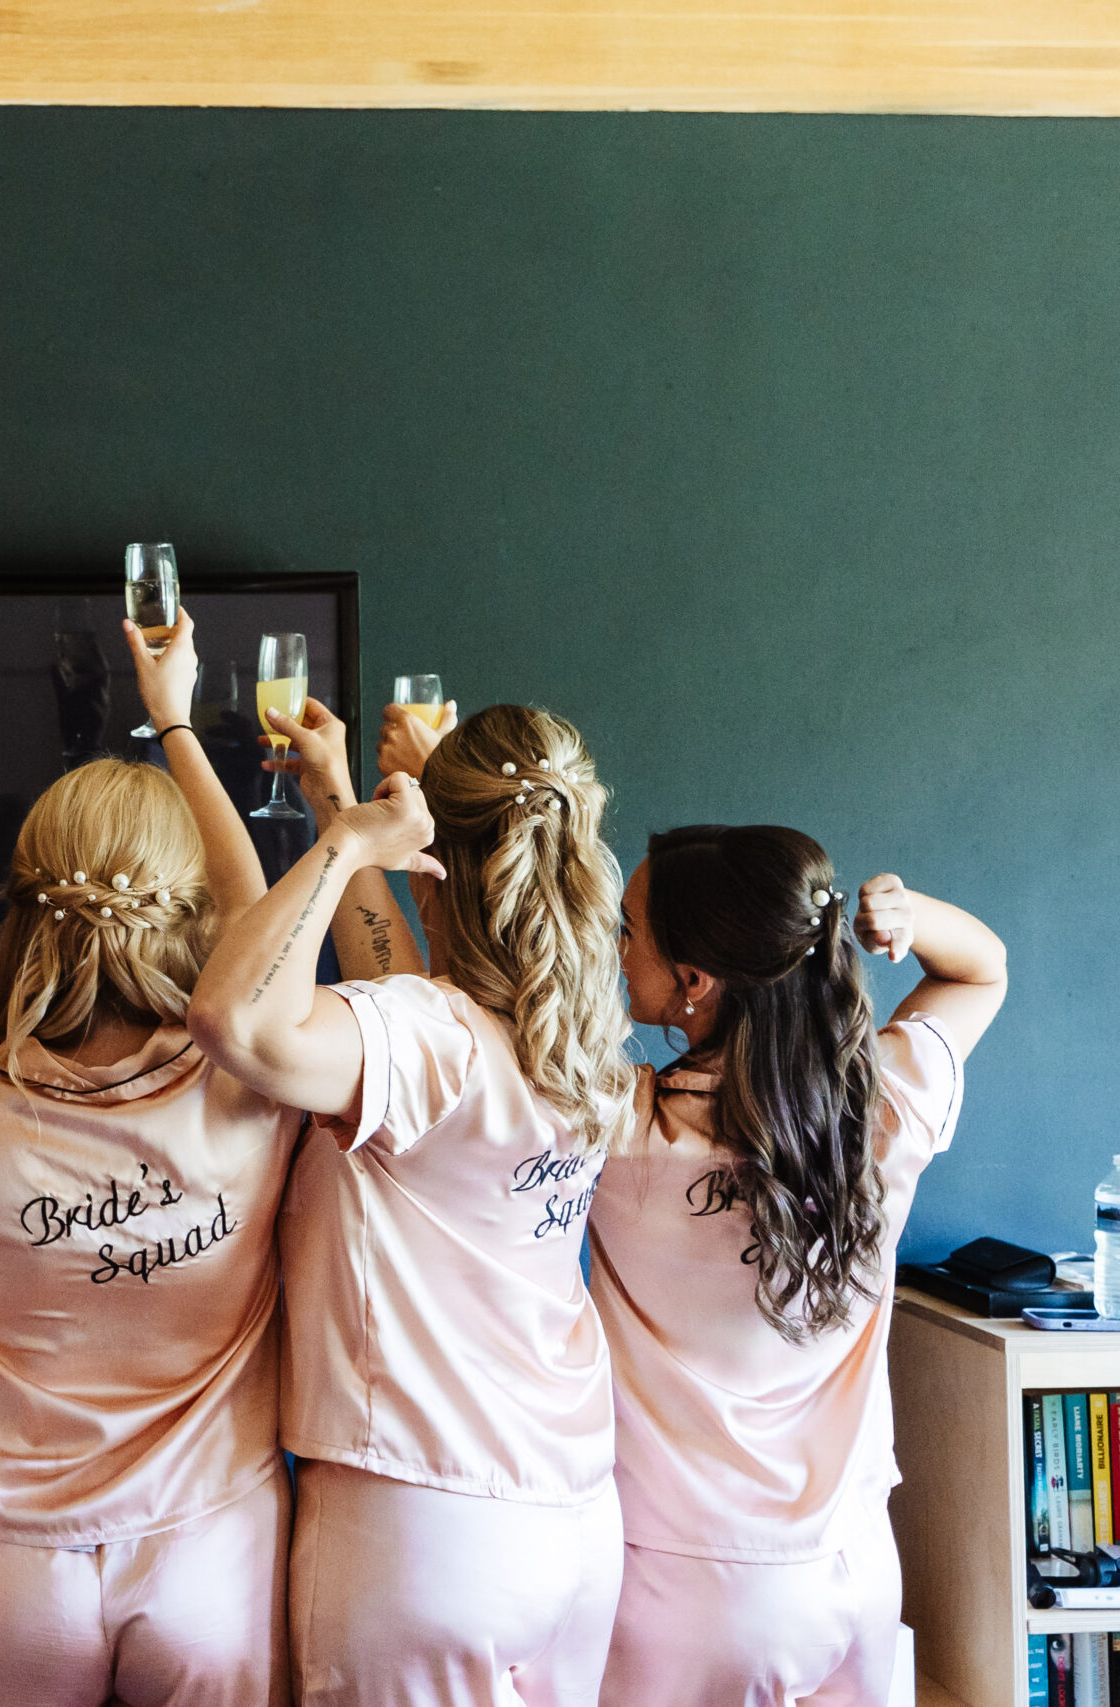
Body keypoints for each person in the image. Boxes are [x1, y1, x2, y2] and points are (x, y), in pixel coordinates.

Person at [186, 698, 636, 1707]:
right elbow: (394, 993)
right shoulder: (578, 1032)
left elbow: (235, 1021)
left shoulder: (432, 1038)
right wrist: (334, 799)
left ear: (439, 860)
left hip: (421, 1525)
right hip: (571, 1525)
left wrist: (346, 842)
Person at [0, 611, 291, 1707]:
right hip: (211, 1543)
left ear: (18, 904)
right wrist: (172, 716)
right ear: (188, 908)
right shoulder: (250, 1082)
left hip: (13, 1559)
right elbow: (257, 918)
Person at [591, 827, 1004, 1706]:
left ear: (695, 982)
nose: (615, 949)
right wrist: (909, 914)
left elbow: (457, 1022)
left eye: (628, 930)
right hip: (854, 1573)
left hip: (686, 1588)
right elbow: (981, 970)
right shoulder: (885, 1102)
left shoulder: (622, 1129)